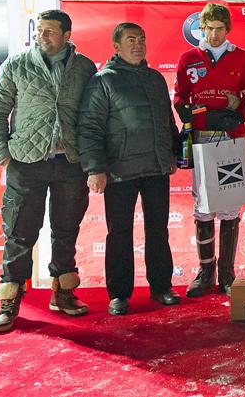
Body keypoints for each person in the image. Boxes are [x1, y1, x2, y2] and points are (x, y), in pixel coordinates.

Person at [0, 9, 97, 333]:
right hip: (25, 162)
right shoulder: (17, 65)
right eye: (39, 30)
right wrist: (1, 150)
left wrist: (93, 159)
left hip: (70, 162)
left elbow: (93, 116)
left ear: (66, 35)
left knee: (66, 229)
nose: (41, 36)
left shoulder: (85, 68)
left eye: (49, 31)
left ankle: (63, 291)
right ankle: (9, 300)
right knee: (19, 231)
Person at [77, 23, 181, 315]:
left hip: (156, 168)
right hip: (119, 171)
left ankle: (161, 287)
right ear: (117, 46)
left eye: (142, 39)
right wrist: (94, 168)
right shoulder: (103, 81)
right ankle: (119, 295)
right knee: (119, 233)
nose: (138, 44)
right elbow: (90, 128)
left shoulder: (155, 79)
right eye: (131, 40)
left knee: (158, 230)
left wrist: (173, 153)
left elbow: (167, 121)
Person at [173, 2, 245, 297]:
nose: (215, 34)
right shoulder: (188, 58)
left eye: (220, 29)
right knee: (203, 206)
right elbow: (180, 99)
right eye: (210, 29)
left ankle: (227, 273)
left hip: (231, 138)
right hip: (202, 137)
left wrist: (242, 114)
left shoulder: (242, 57)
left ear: (227, 29)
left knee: (230, 205)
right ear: (202, 28)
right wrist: (194, 114)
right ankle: (205, 272)